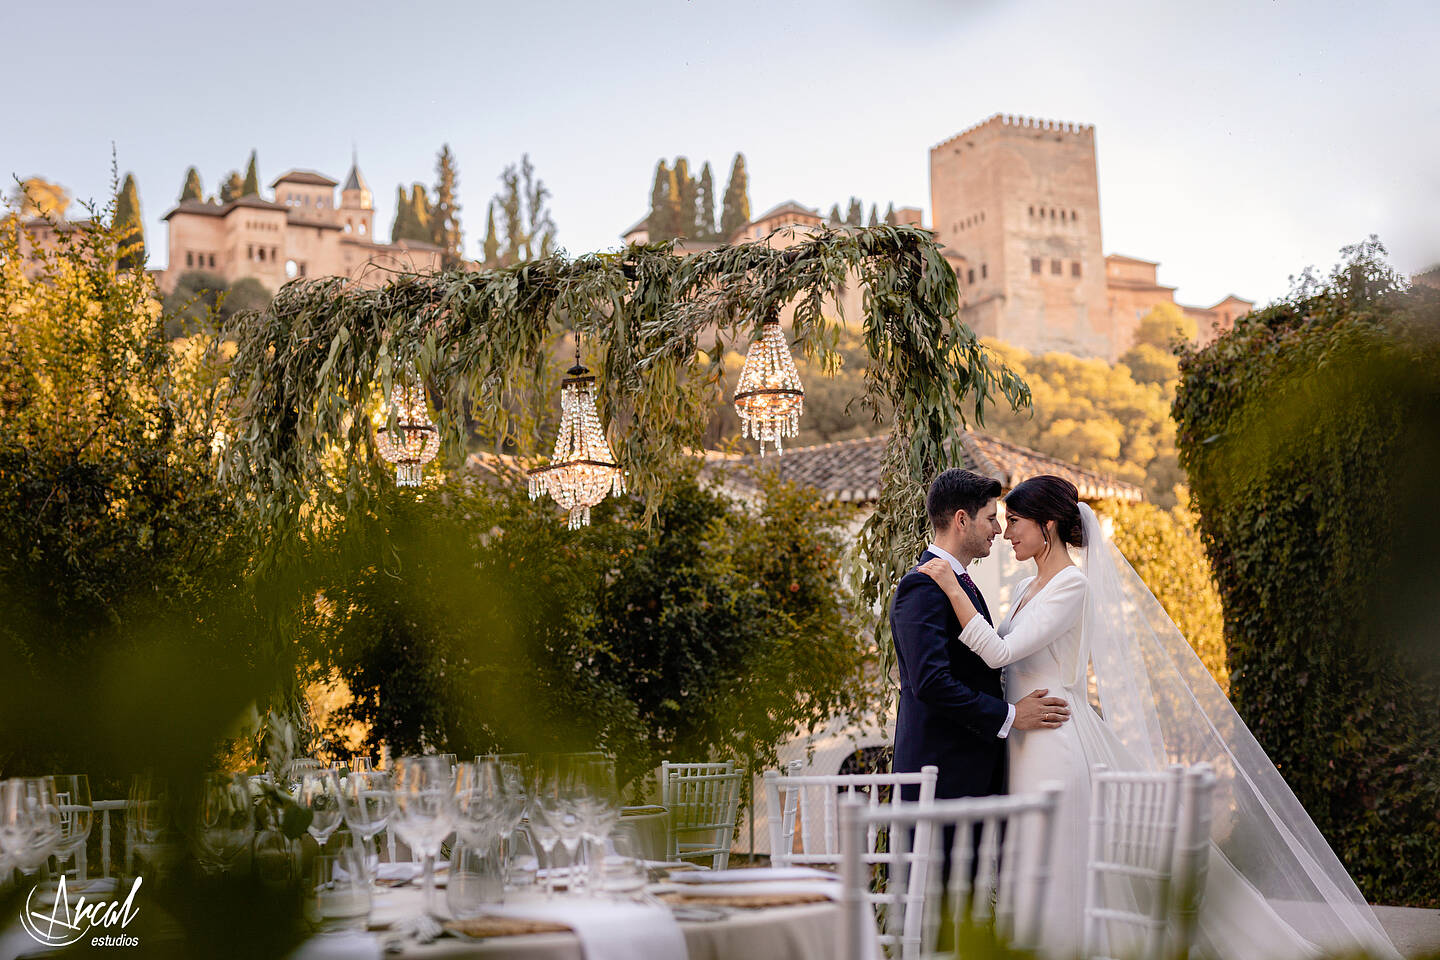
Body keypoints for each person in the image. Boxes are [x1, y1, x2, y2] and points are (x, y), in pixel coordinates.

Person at [918, 475, 1399, 960]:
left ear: (1047, 527)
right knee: (1026, 862)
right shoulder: (1023, 586)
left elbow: (999, 652)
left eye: (1016, 521)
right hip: (1021, 742)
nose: (1006, 531)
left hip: (1053, 744)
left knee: (1057, 864)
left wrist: (950, 586)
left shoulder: (1072, 585)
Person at [890, 468, 1072, 809]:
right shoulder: (922, 586)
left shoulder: (958, 584)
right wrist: (1010, 715)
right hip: (940, 776)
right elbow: (931, 682)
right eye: (991, 518)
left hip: (968, 774)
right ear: (962, 520)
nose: (999, 530)